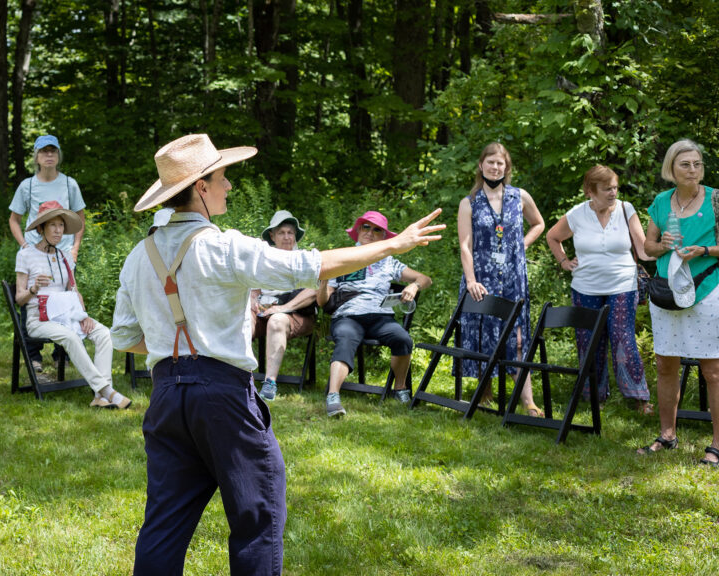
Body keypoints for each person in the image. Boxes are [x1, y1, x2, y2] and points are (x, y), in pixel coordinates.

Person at [111, 134, 444, 575]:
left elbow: (125, 336)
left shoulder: (139, 255)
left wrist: (177, 351)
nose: (229, 186)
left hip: (167, 396)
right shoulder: (224, 246)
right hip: (222, 398)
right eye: (223, 177)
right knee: (257, 516)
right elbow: (312, 265)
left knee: (164, 523)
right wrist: (390, 245)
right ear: (201, 188)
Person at [545, 165, 653, 414]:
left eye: (615, 187)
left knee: (622, 338)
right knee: (588, 340)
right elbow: (552, 237)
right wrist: (564, 261)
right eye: (607, 189)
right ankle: (595, 396)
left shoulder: (627, 210)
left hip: (623, 285)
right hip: (585, 287)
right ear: (590, 191)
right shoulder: (577, 214)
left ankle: (639, 398)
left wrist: (663, 248)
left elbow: (643, 249)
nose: (613, 192)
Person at [637, 139, 719, 466]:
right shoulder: (661, 202)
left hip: (707, 288)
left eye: (697, 164)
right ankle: (667, 435)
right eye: (685, 164)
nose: (693, 170)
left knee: (712, 370)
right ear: (671, 169)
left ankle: (716, 446)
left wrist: (704, 250)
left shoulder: (715, 198)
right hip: (666, 291)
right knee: (665, 364)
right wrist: (662, 245)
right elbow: (647, 247)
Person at [457, 142, 544, 416]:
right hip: (481, 276)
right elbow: (464, 245)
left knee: (518, 337)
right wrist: (471, 280)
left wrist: (521, 247)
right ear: (481, 165)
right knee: (484, 334)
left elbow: (539, 224)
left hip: (513, 279)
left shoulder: (520, 197)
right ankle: (484, 391)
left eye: (500, 163)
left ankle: (526, 399)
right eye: (491, 162)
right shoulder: (469, 203)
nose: (495, 167)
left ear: (507, 168)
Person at [15, 201, 129, 409]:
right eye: (53, 225)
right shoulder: (26, 255)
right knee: (71, 336)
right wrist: (33, 289)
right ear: (41, 228)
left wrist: (83, 315)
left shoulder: (64, 256)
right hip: (38, 319)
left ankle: (99, 398)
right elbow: (19, 298)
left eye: (61, 225)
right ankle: (106, 390)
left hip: (67, 315)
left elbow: (74, 290)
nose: (59, 231)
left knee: (103, 333)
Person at [318, 211, 432, 415]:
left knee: (402, 338)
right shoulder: (344, 257)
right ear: (358, 231)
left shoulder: (388, 261)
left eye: (377, 229)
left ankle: (399, 389)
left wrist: (414, 287)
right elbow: (323, 302)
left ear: (383, 237)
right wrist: (324, 280)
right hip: (348, 315)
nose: (370, 232)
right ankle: (333, 396)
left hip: (380, 317)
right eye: (366, 227)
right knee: (345, 338)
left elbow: (425, 279)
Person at [9, 134, 87, 375]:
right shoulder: (28, 185)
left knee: (65, 300)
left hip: (62, 253)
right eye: (44, 152)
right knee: (31, 300)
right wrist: (24, 245)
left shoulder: (69, 184)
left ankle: (61, 354)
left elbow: (80, 219)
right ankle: (33, 356)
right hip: (35, 254)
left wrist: (74, 248)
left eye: (53, 151)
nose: (49, 155)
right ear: (37, 157)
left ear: (59, 155)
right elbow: (14, 220)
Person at [250, 210, 317, 401]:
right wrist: (252, 304)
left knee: (277, 321)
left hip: (297, 314)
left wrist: (282, 308)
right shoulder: (263, 259)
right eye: (281, 233)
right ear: (272, 236)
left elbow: (313, 291)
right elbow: (253, 291)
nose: (287, 237)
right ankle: (238, 376)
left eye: (290, 232)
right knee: (242, 317)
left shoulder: (304, 259)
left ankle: (270, 382)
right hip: (264, 310)